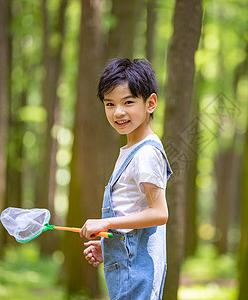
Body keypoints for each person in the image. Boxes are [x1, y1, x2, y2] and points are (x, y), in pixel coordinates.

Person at [79, 58, 172, 299]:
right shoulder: (132, 150)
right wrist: (110, 245)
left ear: (150, 103)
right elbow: (133, 212)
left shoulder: (146, 154)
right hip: (128, 267)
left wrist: (106, 224)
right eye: (110, 104)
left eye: (128, 102)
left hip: (138, 273)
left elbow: (159, 213)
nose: (118, 112)